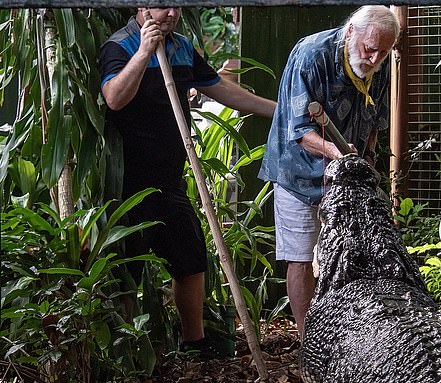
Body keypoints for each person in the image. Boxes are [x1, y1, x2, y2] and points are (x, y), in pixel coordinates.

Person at [99, 7, 276, 357]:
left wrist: (277, 109)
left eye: (177, 6)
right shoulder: (119, 46)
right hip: (128, 186)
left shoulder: (181, 46)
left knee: (191, 260)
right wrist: (144, 52)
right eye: (162, 5)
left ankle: (194, 344)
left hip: (170, 179)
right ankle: (124, 353)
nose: (171, 12)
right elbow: (115, 98)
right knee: (126, 269)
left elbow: (220, 88)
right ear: (141, 8)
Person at [258, 5, 400, 340]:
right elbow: (301, 129)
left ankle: (350, 337)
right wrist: (339, 156)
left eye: (384, 52)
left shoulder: (379, 61)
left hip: (347, 176)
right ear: (351, 31)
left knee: (354, 252)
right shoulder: (310, 56)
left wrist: (365, 158)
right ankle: (310, 342)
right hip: (298, 171)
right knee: (300, 256)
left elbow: (375, 120)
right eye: (369, 48)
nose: (374, 57)